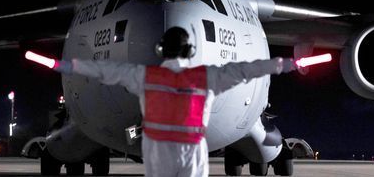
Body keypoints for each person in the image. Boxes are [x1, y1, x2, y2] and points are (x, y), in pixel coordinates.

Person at [43, 27, 296, 177]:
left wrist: (62, 65)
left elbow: (105, 71)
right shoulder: (204, 77)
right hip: (192, 156)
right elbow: (246, 71)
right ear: (190, 51)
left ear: (161, 51)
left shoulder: (147, 77)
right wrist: (287, 64)